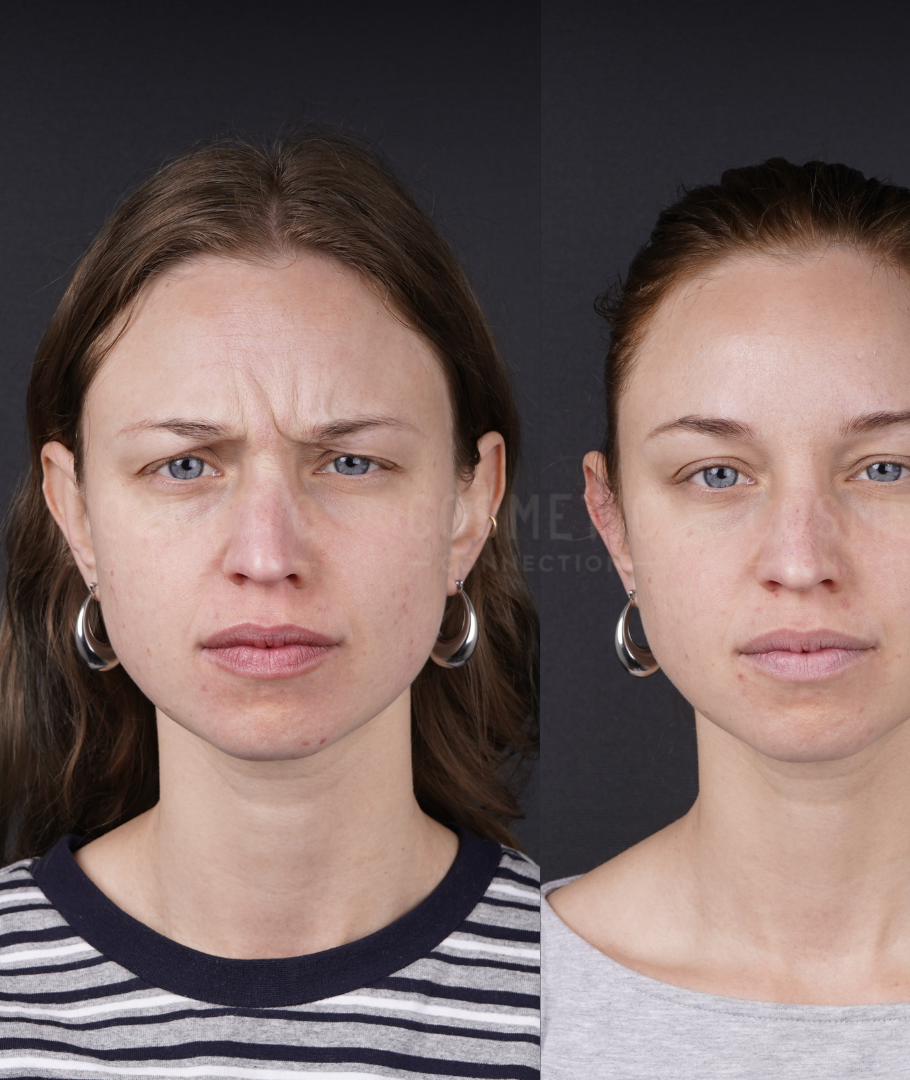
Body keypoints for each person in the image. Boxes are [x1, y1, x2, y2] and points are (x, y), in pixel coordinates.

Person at [0, 131, 539, 1078]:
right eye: (183, 464)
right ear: (75, 512)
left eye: (351, 461)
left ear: (470, 506)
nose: (267, 555)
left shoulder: (595, 990)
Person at [542, 159, 910, 1077]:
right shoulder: (499, 999)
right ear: (615, 524)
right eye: (717, 475)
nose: (800, 563)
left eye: (884, 468)